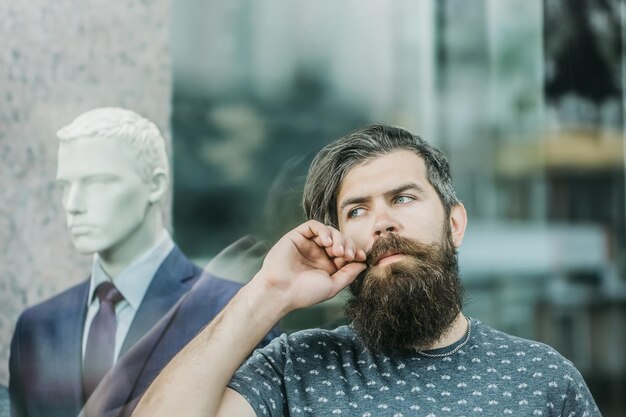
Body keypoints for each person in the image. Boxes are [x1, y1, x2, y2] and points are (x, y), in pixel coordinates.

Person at [133, 125, 601, 417]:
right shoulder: (293, 369)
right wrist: (270, 289)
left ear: (454, 224)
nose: (382, 222)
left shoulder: (540, 378)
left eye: (402, 198)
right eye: (356, 211)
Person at [8, 108, 245, 417]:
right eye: (65, 186)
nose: (73, 205)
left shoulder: (233, 309)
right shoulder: (37, 326)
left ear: (155, 185)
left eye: (98, 183)